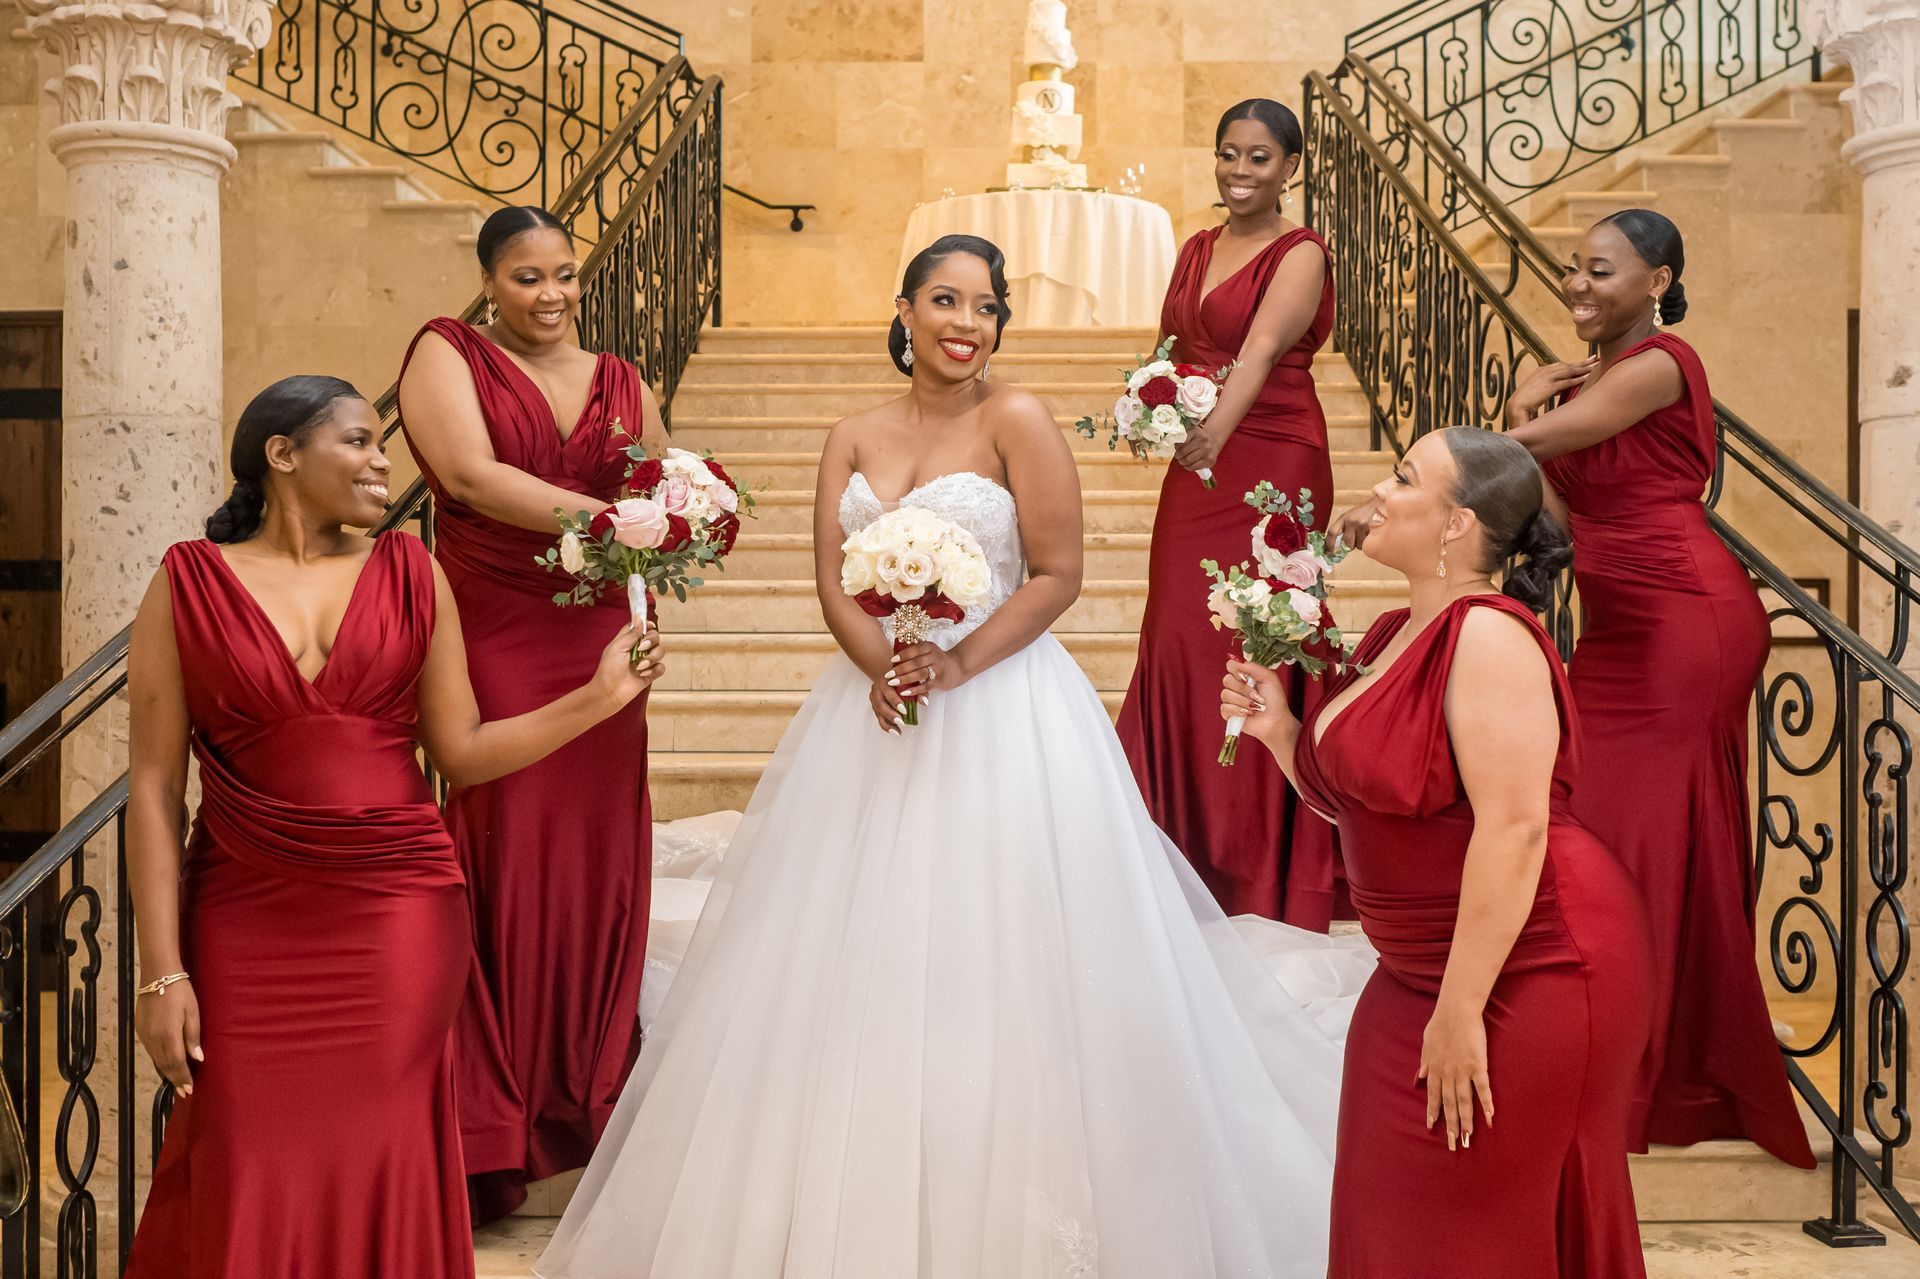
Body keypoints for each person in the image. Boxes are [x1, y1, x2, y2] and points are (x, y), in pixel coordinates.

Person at [536, 235, 1370, 1279]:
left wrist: (958, 663)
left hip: (1003, 707)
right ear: (905, 308)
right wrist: (879, 666)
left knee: (1006, 950)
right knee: (854, 956)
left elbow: (1057, 573)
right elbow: (837, 583)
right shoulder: (850, 434)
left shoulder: (1016, 419)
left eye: (985, 306)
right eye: (945, 299)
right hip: (872, 711)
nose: (966, 323)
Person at [123, 376, 659, 1278]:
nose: (384, 464)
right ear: (281, 456)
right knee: (244, 1150)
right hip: (244, 914)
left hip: (398, 914)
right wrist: (158, 969)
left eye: (382, 446)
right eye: (360, 443)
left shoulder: (416, 572)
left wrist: (600, 697)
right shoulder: (186, 581)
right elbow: (150, 785)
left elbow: (464, 749)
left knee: (382, 1146)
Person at [1227, 426, 1654, 1276]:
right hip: (1417, 969)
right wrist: (1281, 735)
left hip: (1534, 964)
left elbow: (1514, 827)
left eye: (1403, 477)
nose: (1378, 492)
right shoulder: (1392, 632)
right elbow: (1374, 804)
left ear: (1457, 524)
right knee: (1389, 1218)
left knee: (1477, 1233)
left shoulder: (1490, 636)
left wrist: (1461, 1011)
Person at [1497, 209, 1813, 1166]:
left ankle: (1643, 1069)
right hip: (1620, 626)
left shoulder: (1662, 366)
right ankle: (1633, 1049)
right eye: (1570, 270)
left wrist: (1520, 408)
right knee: (1608, 825)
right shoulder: (1594, 376)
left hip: (1688, 621)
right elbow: (1557, 503)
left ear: (1659, 281)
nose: (1578, 285)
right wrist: (1531, 429)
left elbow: (1542, 445)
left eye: (1599, 270)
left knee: (1632, 831)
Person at [398, 205, 672, 1218]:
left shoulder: (625, 380)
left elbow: (662, 490)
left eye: (564, 274)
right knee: (504, 849)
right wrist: (605, 515)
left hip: (601, 627)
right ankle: (488, 1126)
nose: (550, 295)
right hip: (501, 633)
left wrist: (672, 539)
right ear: (489, 282)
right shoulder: (447, 351)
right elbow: (468, 474)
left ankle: (583, 1103)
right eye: (526, 277)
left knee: (595, 862)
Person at [1115, 98, 1343, 927]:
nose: (1239, 172)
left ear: (1291, 168)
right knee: (1179, 630)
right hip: (1201, 458)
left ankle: (1260, 862)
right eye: (1228, 155)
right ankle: (1174, 839)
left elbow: (1256, 355)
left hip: (1271, 452)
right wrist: (1153, 406)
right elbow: (1175, 350)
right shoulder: (1197, 246)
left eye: (1258, 158)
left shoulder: (1302, 251)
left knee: (1261, 632)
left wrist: (1209, 435)